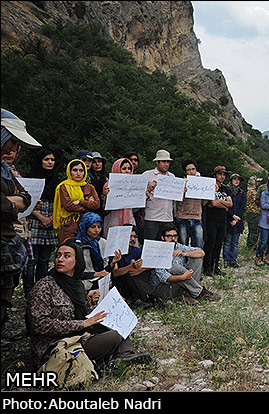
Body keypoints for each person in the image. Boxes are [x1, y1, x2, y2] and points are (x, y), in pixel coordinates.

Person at [26, 240, 151, 369]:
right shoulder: (45, 286)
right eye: (58, 255)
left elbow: (83, 311)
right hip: (58, 346)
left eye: (66, 256)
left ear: (77, 261)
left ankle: (125, 355)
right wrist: (83, 323)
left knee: (117, 321)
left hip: (78, 336)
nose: (60, 259)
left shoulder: (76, 285)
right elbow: (39, 325)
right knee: (115, 335)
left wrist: (111, 307)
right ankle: (117, 357)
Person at [1, 108, 40, 350]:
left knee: (6, 284)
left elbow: (25, 198)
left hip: (6, 241)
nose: (12, 149)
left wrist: (12, 202)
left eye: (16, 144)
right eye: (11, 140)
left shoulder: (6, 171)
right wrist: (11, 203)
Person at [152, 224, 219, 303]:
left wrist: (184, 254)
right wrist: (183, 277)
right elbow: (164, 278)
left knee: (197, 259)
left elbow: (201, 253)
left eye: (175, 236)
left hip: (184, 281)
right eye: (169, 236)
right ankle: (199, 292)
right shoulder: (157, 251)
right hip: (165, 286)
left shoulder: (179, 247)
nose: (173, 239)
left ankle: (189, 292)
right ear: (162, 237)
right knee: (177, 268)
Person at [24, 148, 60, 297]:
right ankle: (28, 291)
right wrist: (41, 217)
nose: (50, 162)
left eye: (52, 159)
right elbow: (25, 203)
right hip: (34, 220)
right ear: (40, 161)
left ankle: (41, 291)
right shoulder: (30, 178)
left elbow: (59, 202)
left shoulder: (57, 180)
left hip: (51, 220)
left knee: (45, 259)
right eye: (46, 159)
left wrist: (51, 218)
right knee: (32, 259)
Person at [110, 225, 163, 309]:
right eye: (130, 236)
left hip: (137, 282)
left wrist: (141, 269)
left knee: (142, 272)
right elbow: (115, 273)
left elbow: (153, 264)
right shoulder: (116, 251)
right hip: (122, 284)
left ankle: (141, 298)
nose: (133, 239)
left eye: (135, 237)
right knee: (129, 274)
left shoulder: (136, 250)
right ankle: (151, 297)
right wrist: (131, 266)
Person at [53, 159, 100, 243]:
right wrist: (88, 206)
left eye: (81, 170)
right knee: (69, 249)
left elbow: (96, 205)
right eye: (75, 170)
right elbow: (68, 206)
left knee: (85, 250)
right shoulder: (63, 186)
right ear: (69, 172)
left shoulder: (89, 187)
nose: (78, 173)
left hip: (86, 225)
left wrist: (80, 202)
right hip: (69, 224)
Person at [70, 212, 121, 292]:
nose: (97, 230)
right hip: (83, 281)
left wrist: (112, 263)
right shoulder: (76, 244)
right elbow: (73, 272)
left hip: (99, 278)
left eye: (99, 227)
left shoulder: (102, 242)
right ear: (85, 227)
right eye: (93, 227)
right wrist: (95, 274)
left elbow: (104, 270)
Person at [202, 166, 232, 276]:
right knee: (210, 243)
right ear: (214, 175)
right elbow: (212, 203)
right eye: (220, 174)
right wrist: (224, 205)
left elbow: (230, 203)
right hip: (211, 219)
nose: (222, 176)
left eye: (224, 174)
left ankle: (216, 267)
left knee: (219, 244)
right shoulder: (210, 186)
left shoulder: (226, 188)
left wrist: (220, 203)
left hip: (222, 220)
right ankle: (207, 267)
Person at [142, 149, 176, 241]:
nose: (166, 164)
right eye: (164, 161)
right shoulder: (147, 175)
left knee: (166, 247)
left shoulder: (172, 177)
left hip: (168, 218)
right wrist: (149, 189)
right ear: (157, 162)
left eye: (168, 161)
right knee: (150, 246)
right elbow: (139, 196)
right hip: (152, 218)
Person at [102, 157, 136, 238]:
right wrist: (106, 196)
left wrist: (144, 197)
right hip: (114, 220)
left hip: (129, 220)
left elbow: (135, 209)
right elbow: (104, 208)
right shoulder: (109, 185)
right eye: (124, 168)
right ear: (117, 169)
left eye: (129, 168)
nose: (127, 171)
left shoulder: (135, 185)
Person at [177, 158, 204, 249]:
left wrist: (211, 192)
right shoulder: (181, 183)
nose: (192, 172)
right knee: (182, 245)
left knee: (198, 245)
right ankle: (182, 263)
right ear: (185, 172)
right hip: (183, 218)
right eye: (189, 170)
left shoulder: (202, 183)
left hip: (197, 217)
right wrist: (183, 192)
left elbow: (204, 202)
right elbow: (179, 203)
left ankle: (196, 263)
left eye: (193, 169)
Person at [223, 173, 246, 268]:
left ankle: (233, 260)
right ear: (231, 180)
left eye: (238, 179)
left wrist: (237, 219)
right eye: (235, 179)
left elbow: (242, 207)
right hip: (228, 219)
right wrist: (232, 216)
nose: (236, 181)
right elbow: (225, 205)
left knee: (235, 242)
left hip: (238, 221)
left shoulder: (242, 193)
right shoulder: (226, 191)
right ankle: (226, 260)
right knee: (227, 241)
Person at [245, 175, 262, 251]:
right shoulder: (253, 192)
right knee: (254, 231)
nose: (258, 183)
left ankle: (250, 245)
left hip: (250, 213)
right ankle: (252, 246)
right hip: (254, 213)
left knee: (252, 230)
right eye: (257, 181)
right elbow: (258, 202)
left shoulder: (248, 191)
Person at [89, 152, 107, 218]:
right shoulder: (88, 179)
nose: (97, 164)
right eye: (94, 162)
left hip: (104, 210)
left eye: (99, 161)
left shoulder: (106, 178)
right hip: (92, 210)